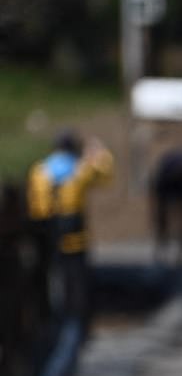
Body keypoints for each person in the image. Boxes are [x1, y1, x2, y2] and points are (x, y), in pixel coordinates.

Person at [26, 131, 114, 319]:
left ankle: (52, 312)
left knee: (51, 273)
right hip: (74, 230)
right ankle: (76, 312)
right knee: (76, 275)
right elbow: (106, 176)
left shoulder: (40, 170)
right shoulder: (79, 169)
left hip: (46, 229)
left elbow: (33, 200)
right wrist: (99, 153)